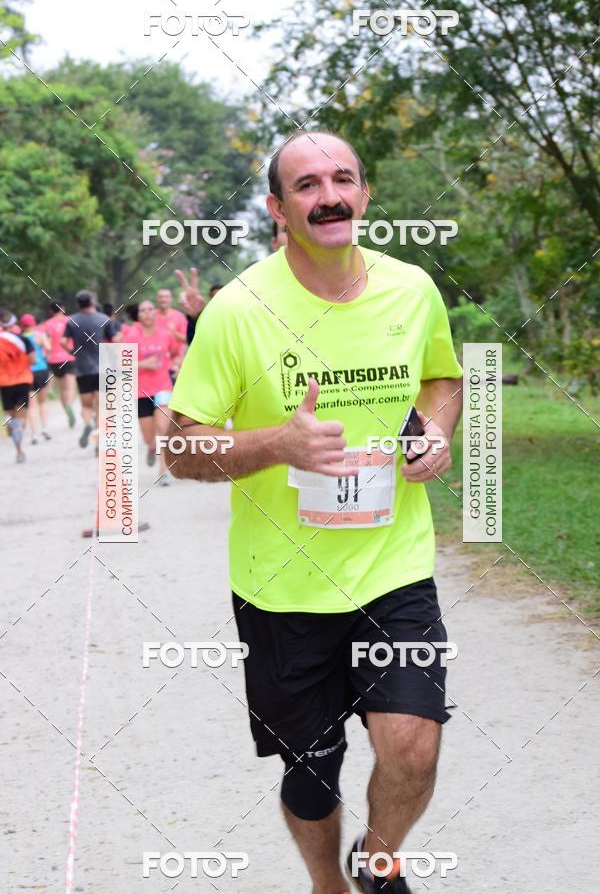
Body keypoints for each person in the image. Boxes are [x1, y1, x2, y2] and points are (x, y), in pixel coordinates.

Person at [168, 130, 463, 894]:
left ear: (363, 195)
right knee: (312, 770)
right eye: (306, 184)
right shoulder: (238, 310)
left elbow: (442, 377)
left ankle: (377, 860)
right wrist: (276, 442)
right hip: (281, 586)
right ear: (279, 208)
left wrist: (435, 429)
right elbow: (177, 448)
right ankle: (326, 883)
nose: (328, 194)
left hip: (392, 566)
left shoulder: (411, 288)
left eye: (342, 178)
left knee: (415, 746)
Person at [127, 299, 179, 484]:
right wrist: (143, 364)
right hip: (141, 392)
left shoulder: (166, 335)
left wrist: (177, 365)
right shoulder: (132, 337)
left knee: (164, 429)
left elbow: (175, 353)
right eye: (143, 310)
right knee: (149, 436)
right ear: (138, 315)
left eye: (150, 309)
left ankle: (163, 471)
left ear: (155, 313)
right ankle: (151, 447)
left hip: (163, 387)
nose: (147, 312)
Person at [61, 290, 113, 449]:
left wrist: (71, 352)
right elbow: (116, 339)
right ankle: (99, 441)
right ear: (92, 301)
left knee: (86, 405)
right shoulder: (104, 319)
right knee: (100, 405)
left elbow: (63, 341)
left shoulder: (72, 321)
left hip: (82, 368)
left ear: (77, 304)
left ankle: (87, 424)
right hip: (103, 367)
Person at [0, 307, 36, 463]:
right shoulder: (24, 340)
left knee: (11, 415)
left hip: (5, 382)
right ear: (13, 321)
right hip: (23, 380)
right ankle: (19, 426)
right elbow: (33, 360)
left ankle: (19, 450)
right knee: (22, 416)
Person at [42, 301, 77, 427]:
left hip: (54, 360)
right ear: (63, 308)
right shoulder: (71, 320)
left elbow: (47, 343)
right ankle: (69, 406)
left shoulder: (47, 324)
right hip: (69, 357)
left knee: (62, 389)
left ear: (51, 311)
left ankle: (66, 410)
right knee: (70, 388)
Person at [20, 314, 51, 443]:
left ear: (22, 325)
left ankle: (34, 434)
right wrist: (44, 358)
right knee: (43, 402)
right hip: (42, 370)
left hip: (27, 371)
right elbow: (48, 348)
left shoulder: (20, 338)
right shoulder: (40, 335)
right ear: (33, 323)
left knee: (31, 405)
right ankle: (45, 428)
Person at [154, 288, 188, 383]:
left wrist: (174, 332)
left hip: (175, 365)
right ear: (157, 299)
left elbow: (187, 340)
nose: (163, 299)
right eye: (161, 297)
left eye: (166, 297)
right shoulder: (151, 316)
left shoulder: (179, 316)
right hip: (155, 365)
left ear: (171, 299)